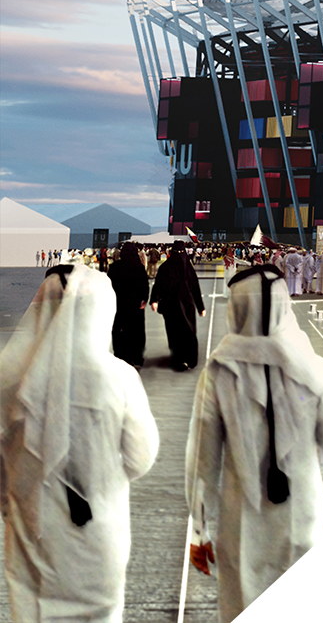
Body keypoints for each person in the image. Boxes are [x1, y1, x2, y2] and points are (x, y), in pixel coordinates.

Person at [186, 264, 323, 622]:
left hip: (242, 523)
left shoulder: (217, 374)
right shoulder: (316, 368)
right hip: (304, 514)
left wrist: (200, 527)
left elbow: (202, 460)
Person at [0, 264, 160, 622]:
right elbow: (141, 457)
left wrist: (14, 507)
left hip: (32, 531)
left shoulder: (8, 377)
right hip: (96, 530)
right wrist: (102, 475)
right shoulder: (119, 377)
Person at [153, 243, 207, 371]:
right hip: (181, 306)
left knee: (179, 333)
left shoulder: (167, 267)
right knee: (183, 333)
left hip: (176, 306)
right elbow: (195, 289)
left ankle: (183, 359)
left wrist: (154, 300)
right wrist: (200, 307)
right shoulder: (185, 268)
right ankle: (185, 360)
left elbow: (158, 285)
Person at [105, 243, 151, 368]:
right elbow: (145, 285)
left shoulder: (114, 267)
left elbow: (109, 285)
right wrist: (144, 299)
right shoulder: (139, 267)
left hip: (119, 303)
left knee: (119, 330)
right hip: (135, 304)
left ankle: (120, 355)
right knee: (136, 330)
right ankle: (136, 356)